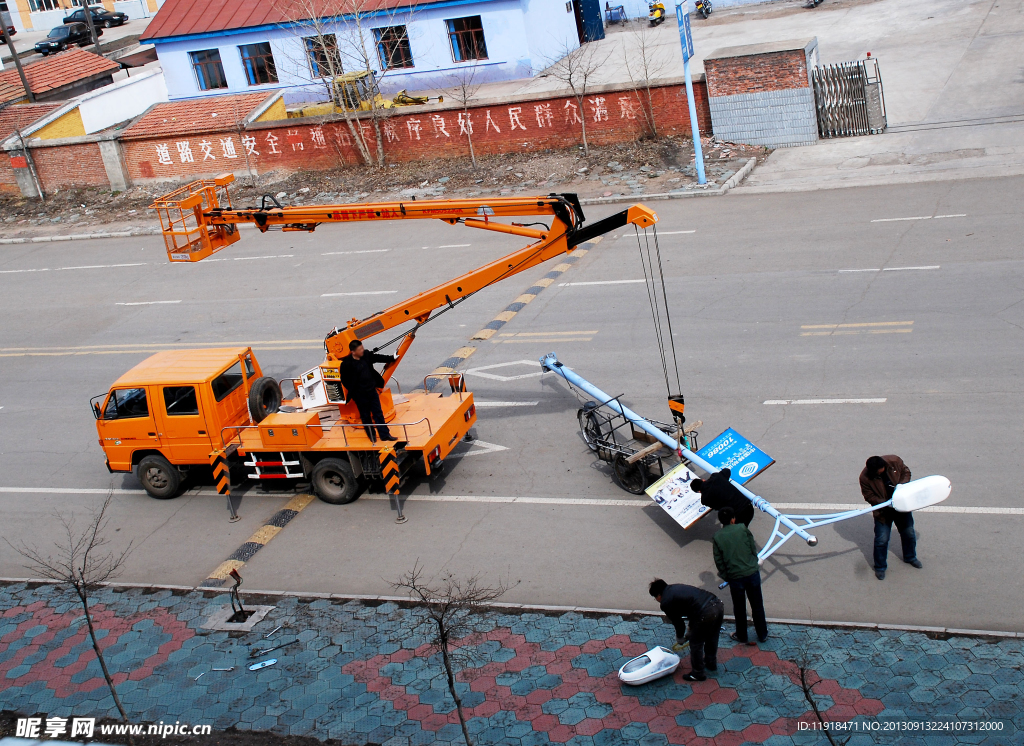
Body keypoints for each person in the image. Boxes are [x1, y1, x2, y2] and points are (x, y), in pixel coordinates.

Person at [648, 578, 724, 682]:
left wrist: (680, 637)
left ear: (658, 595)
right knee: (712, 637)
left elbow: (679, 623)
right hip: (717, 605)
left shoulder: (666, 602)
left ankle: (698, 674)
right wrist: (690, 629)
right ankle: (711, 663)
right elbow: (692, 609)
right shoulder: (675, 588)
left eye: (655, 598)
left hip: (705, 612)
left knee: (696, 643)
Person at [712, 506, 768, 645]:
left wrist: (727, 576)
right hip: (752, 573)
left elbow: (719, 561)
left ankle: (742, 635)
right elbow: (752, 548)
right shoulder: (743, 529)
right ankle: (762, 634)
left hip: (735, 578)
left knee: (739, 608)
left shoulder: (717, 537)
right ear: (733, 519)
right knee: (757, 606)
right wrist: (753, 564)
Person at [860, 454, 920, 580]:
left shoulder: (894, 461)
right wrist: (885, 503)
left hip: (902, 507)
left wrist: (902, 485)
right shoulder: (865, 478)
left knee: (908, 533)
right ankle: (880, 567)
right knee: (881, 540)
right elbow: (869, 496)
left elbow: (906, 472)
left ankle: (910, 557)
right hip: (883, 512)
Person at [338, 339, 397, 442]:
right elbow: (344, 380)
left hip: (371, 391)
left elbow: (377, 357)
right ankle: (372, 437)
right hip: (360, 395)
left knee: (378, 413)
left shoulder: (366, 355)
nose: (362, 350)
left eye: (362, 348)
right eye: (360, 349)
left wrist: (391, 358)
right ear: (353, 352)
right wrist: (355, 391)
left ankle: (385, 435)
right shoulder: (346, 364)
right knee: (365, 416)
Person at [690, 468, 754, 526]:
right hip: (747, 506)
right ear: (703, 480)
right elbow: (727, 470)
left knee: (735, 534)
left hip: (736, 516)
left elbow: (718, 507)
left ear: (699, 491)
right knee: (742, 532)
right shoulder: (716, 477)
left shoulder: (705, 500)